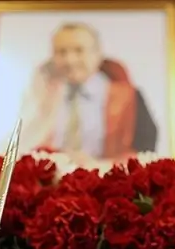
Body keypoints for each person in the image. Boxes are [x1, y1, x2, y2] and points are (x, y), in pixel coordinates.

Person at [15, 23, 158, 164]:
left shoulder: (128, 97)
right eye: (61, 52)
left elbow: (145, 153)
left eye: (79, 50)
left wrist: (99, 165)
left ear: (97, 53)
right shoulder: (41, 97)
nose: (70, 60)